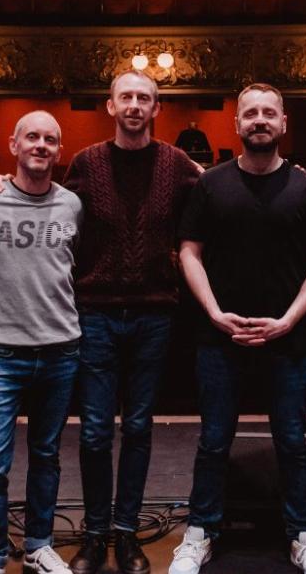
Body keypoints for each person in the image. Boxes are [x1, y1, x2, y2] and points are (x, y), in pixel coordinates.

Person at [170, 83, 306, 574]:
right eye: (250, 113)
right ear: (237, 125)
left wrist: (288, 320)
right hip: (220, 337)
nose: (259, 120)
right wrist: (215, 312)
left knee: (291, 441)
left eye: (269, 113)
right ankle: (200, 531)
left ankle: (303, 535)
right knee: (214, 441)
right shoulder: (210, 185)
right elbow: (188, 252)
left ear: (283, 123)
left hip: (287, 338)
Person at [66, 71, 201, 574]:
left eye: (144, 98)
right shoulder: (86, 162)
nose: (135, 105)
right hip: (96, 310)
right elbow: (58, 218)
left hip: (154, 312)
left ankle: (125, 535)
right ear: (110, 105)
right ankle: (95, 533)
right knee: (97, 430)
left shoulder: (177, 163)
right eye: (127, 97)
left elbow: (215, 198)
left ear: (156, 108)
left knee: (139, 427)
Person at [0, 111, 84, 574]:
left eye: (51, 140)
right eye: (32, 137)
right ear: (13, 145)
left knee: (46, 456)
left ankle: (38, 544)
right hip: (1, 351)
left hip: (61, 348)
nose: (41, 145)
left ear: (59, 151)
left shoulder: (73, 205)